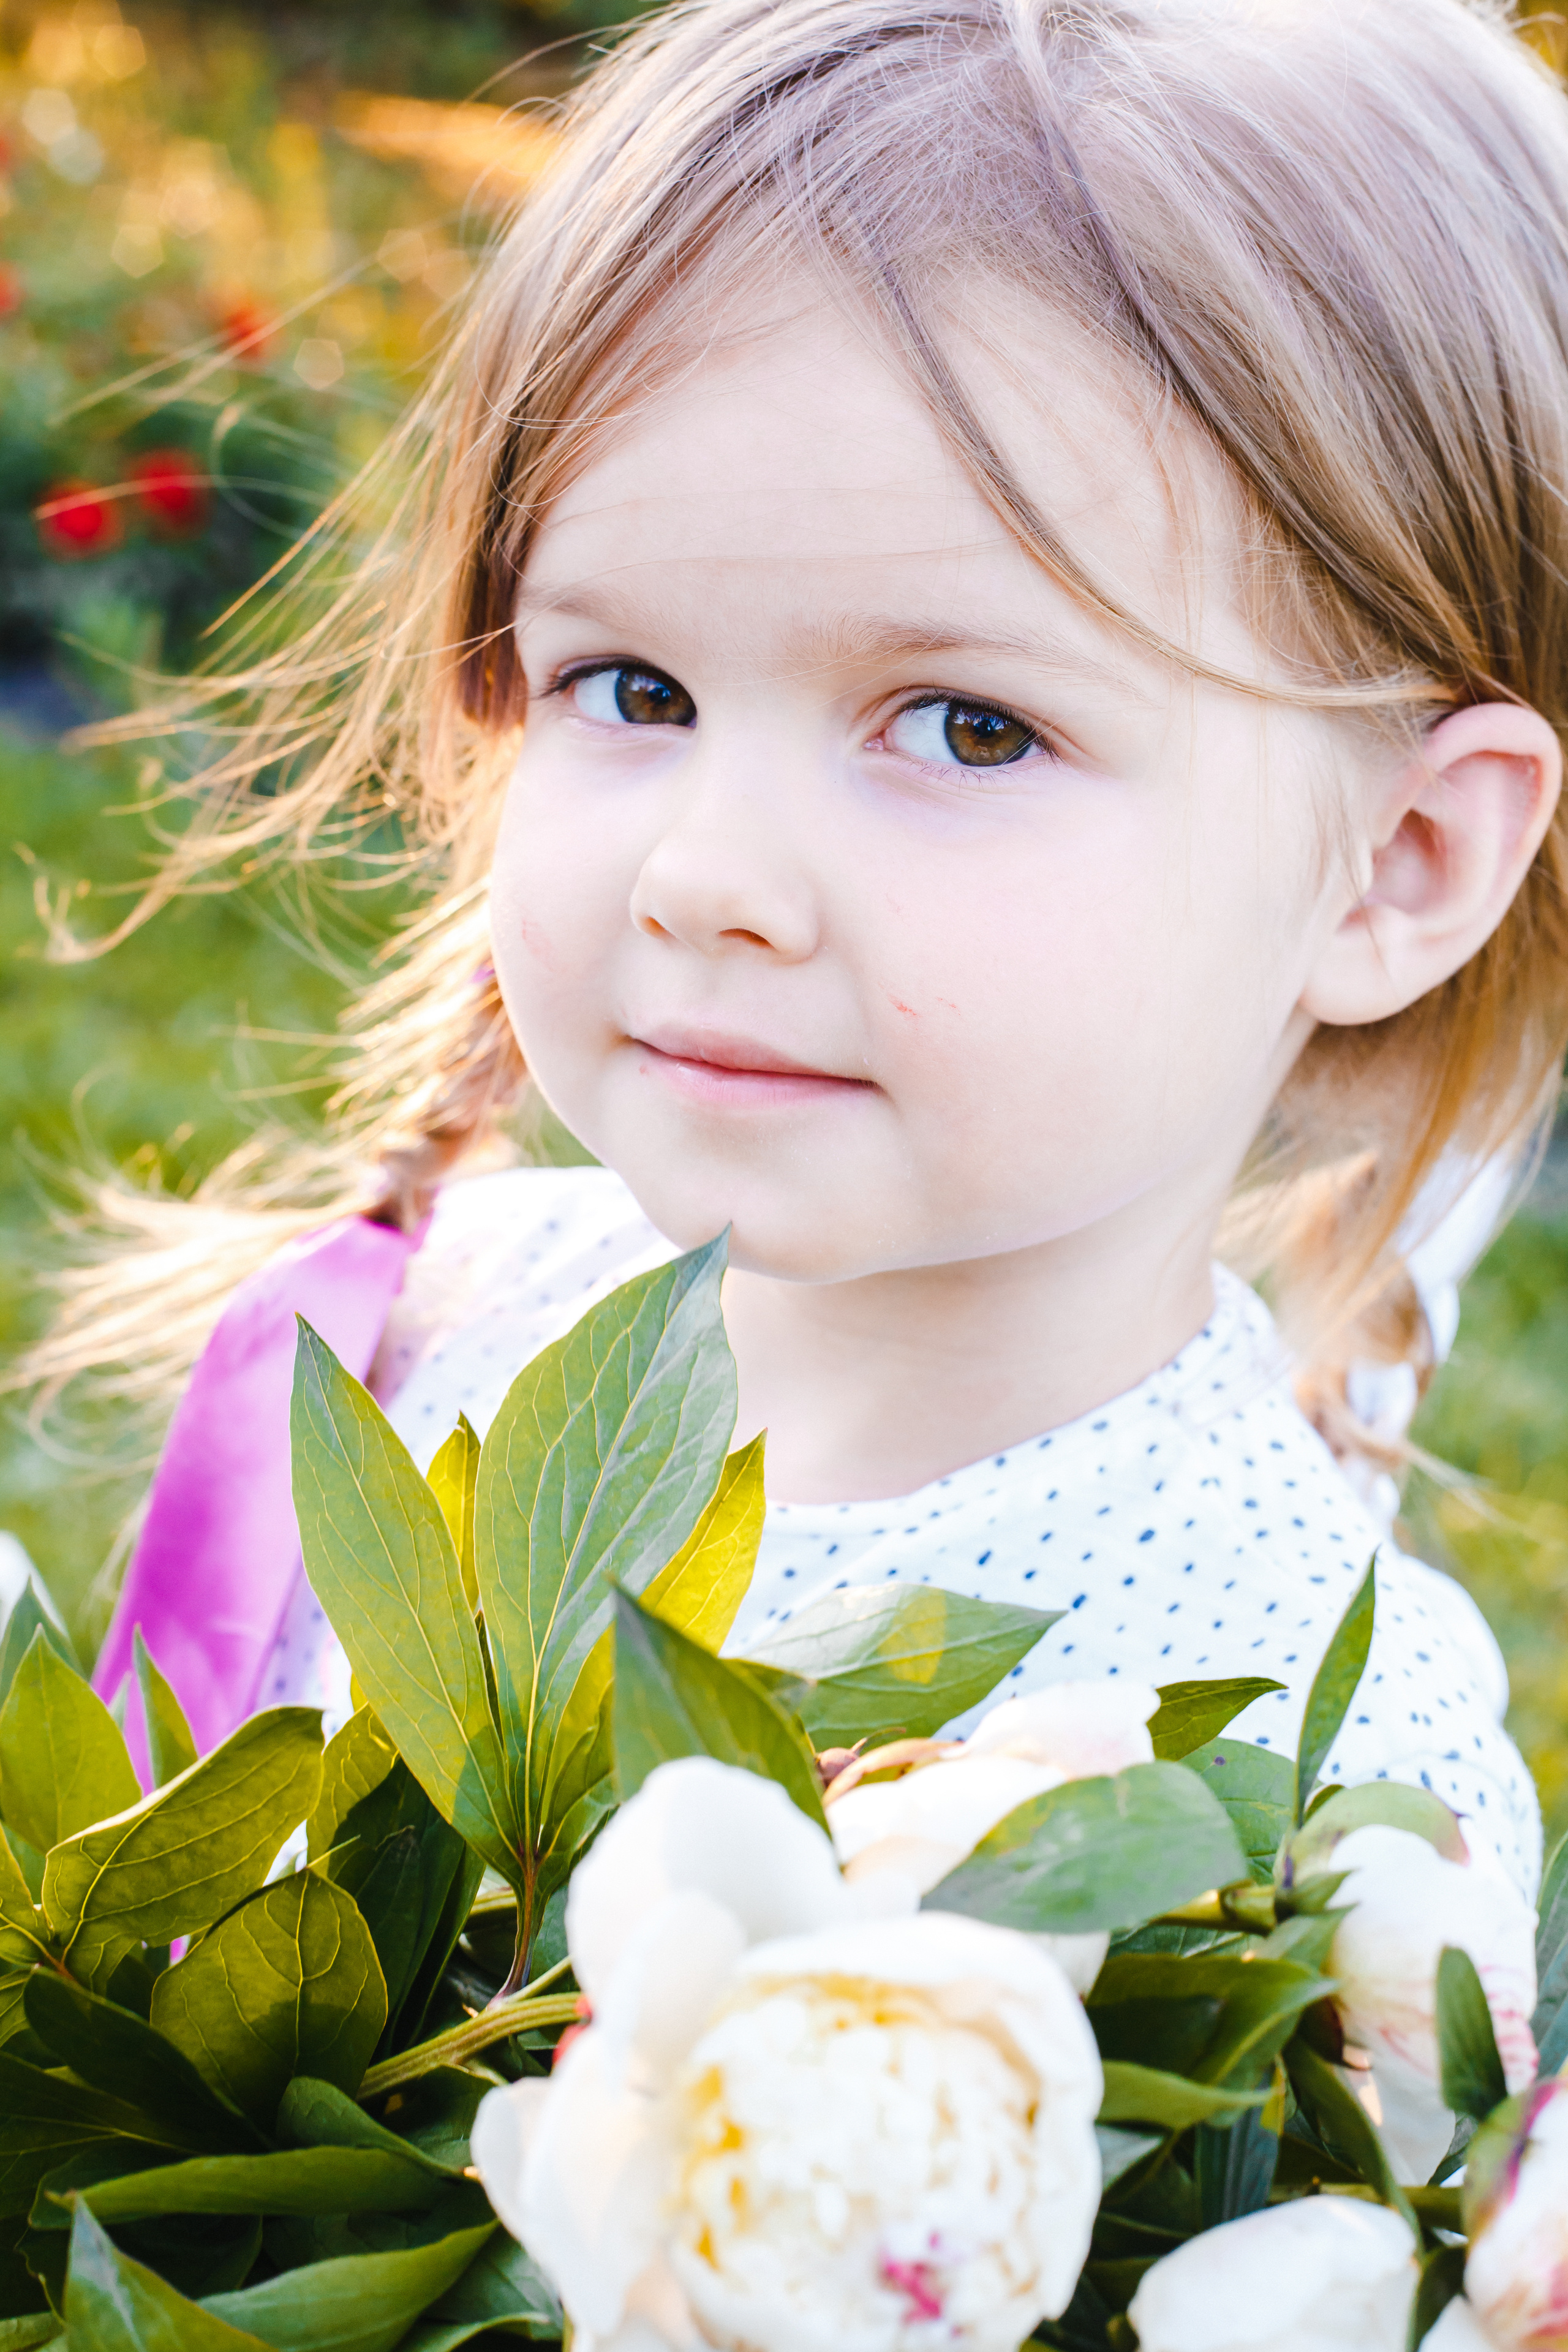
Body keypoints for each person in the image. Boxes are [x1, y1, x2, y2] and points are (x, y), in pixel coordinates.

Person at [37, 0, 1568, 1904]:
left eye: (967, 725)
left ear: (1398, 863)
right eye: (634, 683)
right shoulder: (433, 1337)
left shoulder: (1334, 1794)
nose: (707, 876)